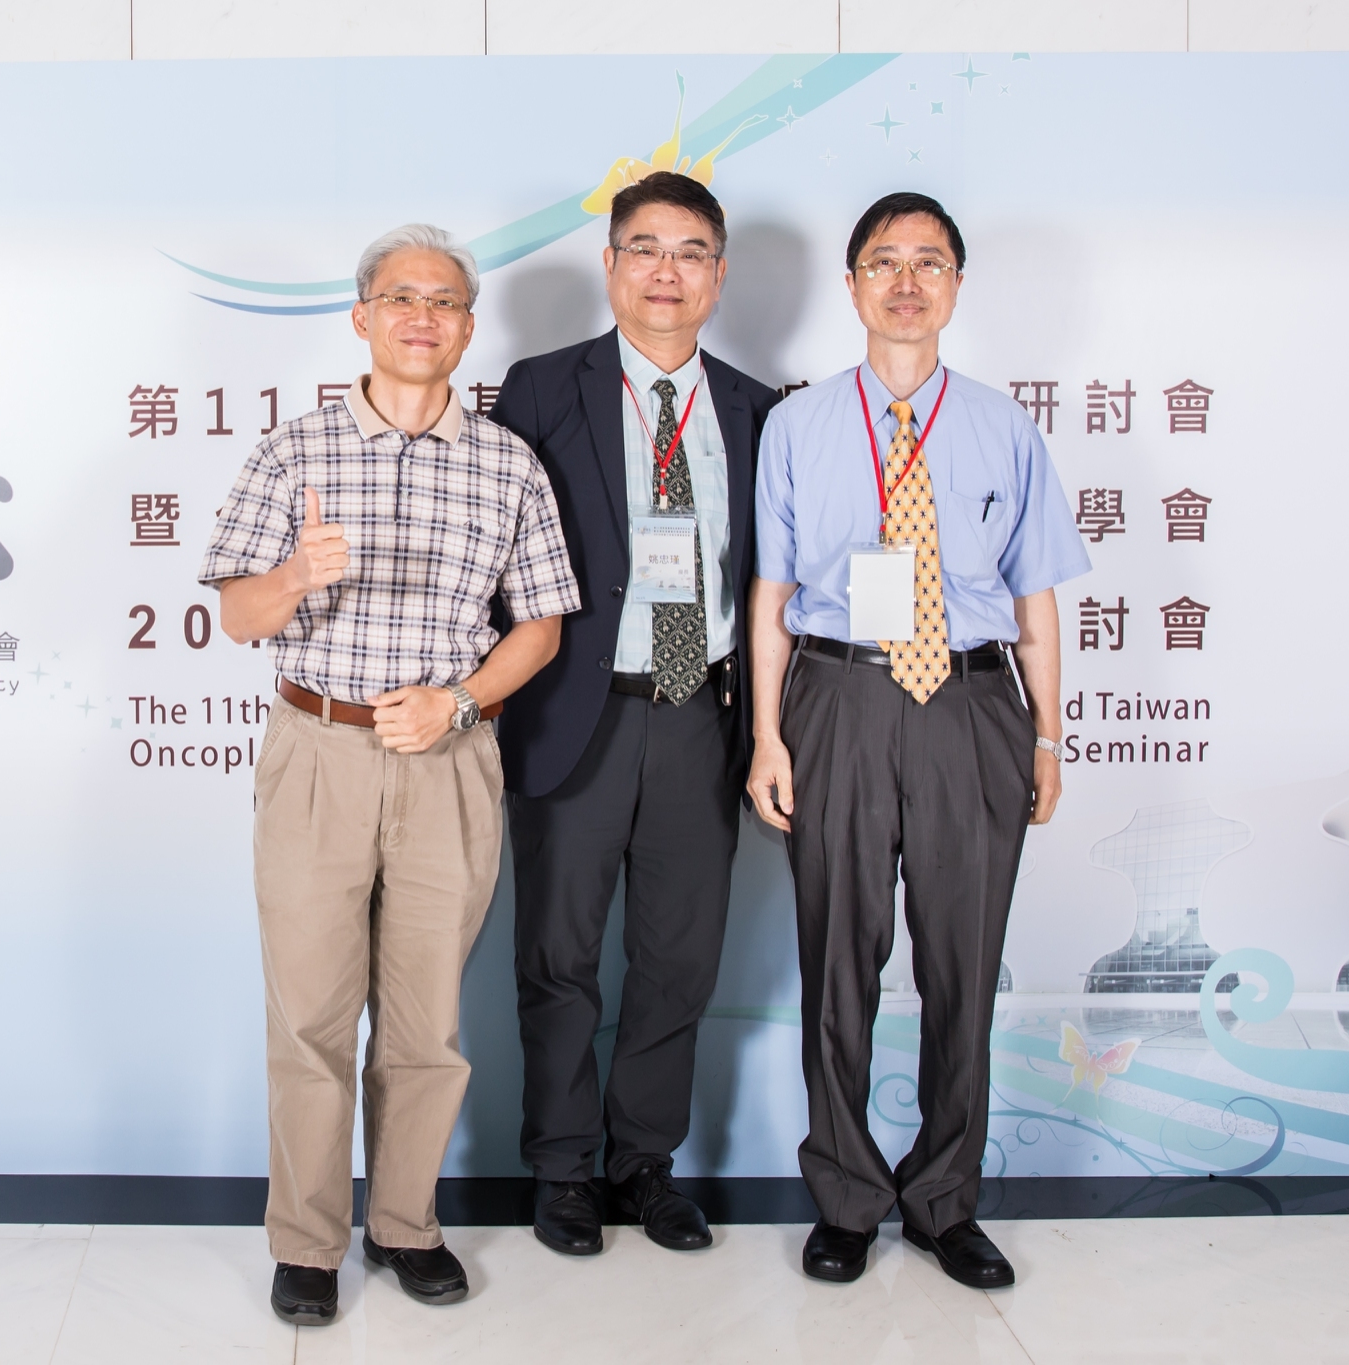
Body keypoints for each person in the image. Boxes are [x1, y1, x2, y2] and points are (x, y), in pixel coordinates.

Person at [199, 224, 580, 1326]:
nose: (424, 316)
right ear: (362, 317)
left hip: (448, 761)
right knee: (310, 1018)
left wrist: (457, 701)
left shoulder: (506, 463)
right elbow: (237, 615)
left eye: (445, 301)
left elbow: (542, 625)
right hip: (318, 751)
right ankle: (307, 1242)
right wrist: (292, 574)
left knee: (425, 1024)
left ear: (467, 327)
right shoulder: (294, 453)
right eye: (402, 297)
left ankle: (406, 1224)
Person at [745, 193, 1090, 1290]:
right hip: (837, 698)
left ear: (954, 286)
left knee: (961, 963)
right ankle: (845, 1197)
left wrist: (1046, 739)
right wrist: (767, 736)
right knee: (836, 960)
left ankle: (945, 1199)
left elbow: (1034, 598)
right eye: (883, 262)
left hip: (971, 708)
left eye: (928, 263)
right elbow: (770, 595)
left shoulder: (1002, 426)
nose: (905, 282)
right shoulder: (798, 426)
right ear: (851, 286)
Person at [489, 173, 779, 1257]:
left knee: (678, 958)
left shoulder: (757, 410)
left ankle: (643, 1164)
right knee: (558, 955)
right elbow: (494, 561)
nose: (667, 271)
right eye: (645, 248)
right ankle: (563, 1167)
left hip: (698, 712)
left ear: (718, 276)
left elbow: (770, 580)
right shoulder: (539, 390)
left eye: (691, 252)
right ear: (609, 265)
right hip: (577, 710)